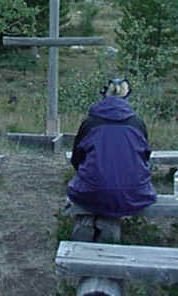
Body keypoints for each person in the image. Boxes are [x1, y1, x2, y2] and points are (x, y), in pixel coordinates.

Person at [67, 77, 156, 218]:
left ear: (104, 95)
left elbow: (76, 159)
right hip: (135, 195)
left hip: (92, 194)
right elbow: (145, 158)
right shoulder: (137, 123)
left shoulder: (90, 123)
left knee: (82, 188)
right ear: (126, 96)